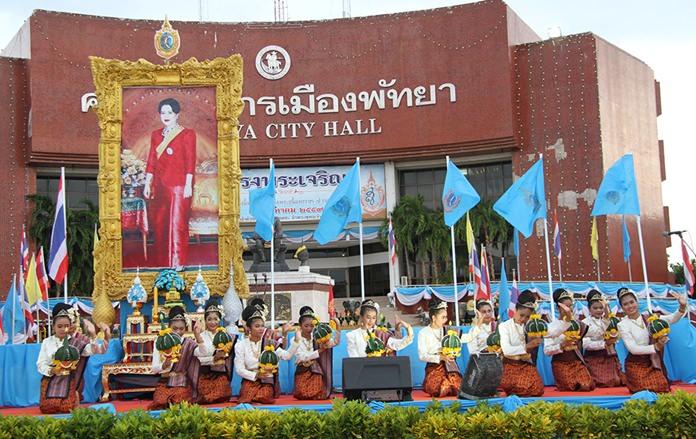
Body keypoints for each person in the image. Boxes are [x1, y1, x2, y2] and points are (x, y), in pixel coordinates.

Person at [143, 97, 197, 271]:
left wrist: (188, 184)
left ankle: (177, 261)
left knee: (177, 223)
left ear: (177, 114)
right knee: (161, 224)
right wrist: (147, 183)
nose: (166, 116)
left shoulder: (187, 134)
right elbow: (152, 159)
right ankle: (164, 261)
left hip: (179, 186)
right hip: (160, 186)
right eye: (163, 112)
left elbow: (190, 160)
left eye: (170, 112)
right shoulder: (156, 135)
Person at [36, 303, 109, 414]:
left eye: (66, 326)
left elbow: (98, 350)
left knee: (68, 409)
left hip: (69, 382)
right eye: (59, 326)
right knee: (47, 409)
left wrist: (96, 336)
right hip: (51, 381)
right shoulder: (47, 342)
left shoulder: (77, 342)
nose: (63, 329)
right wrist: (52, 370)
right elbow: (41, 363)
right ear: (53, 326)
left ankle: (75, 398)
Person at [617, 288, 687, 393]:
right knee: (644, 389)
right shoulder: (622, 324)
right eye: (626, 304)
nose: (630, 306)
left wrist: (682, 306)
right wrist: (656, 347)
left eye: (632, 302)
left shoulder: (650, 318)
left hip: (652, 362)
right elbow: (633, 349)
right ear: (622, 307)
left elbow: (672, 319)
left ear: (637, 301)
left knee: (661, 386)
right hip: (635, 364)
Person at [418, 299, 482, 397]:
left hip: (449, 366)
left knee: (458, 388)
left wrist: (479, 323)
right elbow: (422, 356)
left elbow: (467, 338)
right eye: (443, 317)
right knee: (436, 388)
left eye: (446, 317)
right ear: (434, 318)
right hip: (434, 367)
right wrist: (440, 357)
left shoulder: (449, 331)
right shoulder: (424, 333)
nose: (445, 320)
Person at [234, 304, 298, 404]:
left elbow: (287, 356)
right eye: (257, 326)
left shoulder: (269, 343)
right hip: (251, 380)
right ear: (249, 328)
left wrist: (296, 341)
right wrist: (256, 375)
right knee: (247, 397)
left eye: (262, 326)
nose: (261, 329)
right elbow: (239, 369)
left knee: (264, 396)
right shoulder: (241, 345)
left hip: (266, 382)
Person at [149, 306, 206, 410]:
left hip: (182, 384)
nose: (178, 332)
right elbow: (154, 369)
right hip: (165, 382)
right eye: (174, 328)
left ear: (185, 328)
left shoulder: (188, 343)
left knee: (180, 402)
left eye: (181, 329)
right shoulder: (161, 341)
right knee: (159, 404)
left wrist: (197, 335)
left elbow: (203, 353)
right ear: (168, 326)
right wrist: (164, 365)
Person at [543, 288, 596, 391]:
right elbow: (547, 351)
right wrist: (562, 345)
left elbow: (596, 332)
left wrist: (607, 319)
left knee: (586, 386)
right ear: (558, 308)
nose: (569, 309)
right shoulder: (552, 327)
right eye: (566, 306)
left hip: (577, 364)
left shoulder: (578, 324)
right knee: (572, 386)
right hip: (561, 364)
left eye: (570, 305)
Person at [498, 290, 544, 397]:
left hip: (526, 365)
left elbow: (551, 332)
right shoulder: (504, 326)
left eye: (527, 317)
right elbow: (506, 350)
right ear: (515, 310)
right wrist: (527, 346)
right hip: (510, 365)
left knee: (537, 389)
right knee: (519, 387)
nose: (523, 319)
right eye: (521, 315)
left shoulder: (531, 327)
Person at [194, 299, 237, 404]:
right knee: (205, 397)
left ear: (220, 319)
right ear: (205, 320)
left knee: (219, 393)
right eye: (209, 319)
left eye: (215, 319)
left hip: (220, 375)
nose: (212, 322)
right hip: (205, 375)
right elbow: (198, 359)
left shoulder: (226, 336)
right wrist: (213, 358)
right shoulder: (201, 336)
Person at [293, 306, 341, 400]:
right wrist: (319, 351)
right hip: (302, 370)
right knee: (301, 393)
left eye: (312, 326)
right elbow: (302, 357)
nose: (309, 329)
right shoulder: (295, 339)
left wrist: (338, 326)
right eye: (306, 326)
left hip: (316, 371)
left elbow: (335, 342)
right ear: (300, 325)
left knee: (318, 387)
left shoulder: (318, 338)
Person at [582, 290, 626, 388]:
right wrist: (604, 344)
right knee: (607, 382)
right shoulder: (584, 323)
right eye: (595, 308)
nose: (599, 310)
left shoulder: (610, 320)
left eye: (601, 308)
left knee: (618, 381)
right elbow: (585, 343)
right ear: (589, 309)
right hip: (594, 357)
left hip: (609, 356)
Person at [346, 299, 413, 358]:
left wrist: (408, 330)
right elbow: (353, 359)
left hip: (379, 370)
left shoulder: (381, 335)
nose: (371, 321)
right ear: (361, 317)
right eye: (368, 317)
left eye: (374, 318)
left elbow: (397, 345)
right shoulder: (352, 335)